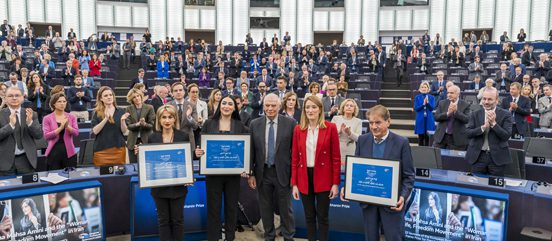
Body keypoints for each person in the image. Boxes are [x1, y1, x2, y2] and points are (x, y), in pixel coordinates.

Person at [338, 105, 414, 241]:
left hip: (392, 203)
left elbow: (409, 176)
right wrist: (348, 186)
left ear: (388, 122)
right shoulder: (362, 140)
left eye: (378, 122)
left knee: (394, 237)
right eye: (371, 123)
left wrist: (403, 197)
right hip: (368, 203)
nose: (373, 126)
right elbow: (358, 171)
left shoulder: (401, 142)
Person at [134, 104, 203, 241]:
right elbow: (150, 163)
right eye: (164, 117)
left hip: (178, 187)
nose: (167, 120)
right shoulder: (153, 138)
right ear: (159, 120)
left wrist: (190, 174)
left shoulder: (183, 136)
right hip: (159, 188)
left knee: (178, 220)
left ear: (174, 119)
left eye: (170, 117)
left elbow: (186, 160)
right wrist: (140, 153)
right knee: (163, 221)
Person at [199, 95, 249, 241]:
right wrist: (198, 152)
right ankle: (213, 238)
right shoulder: (209, 123)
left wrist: (246, 166)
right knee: (213, 209)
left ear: (235, 108)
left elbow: (246, 150)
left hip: (233, 175)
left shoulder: (241, 127)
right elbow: (201, 146)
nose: (226, 106)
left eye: (230, 104)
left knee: (231, 208)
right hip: (213, 174)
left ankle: (229, 237)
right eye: (224, 103)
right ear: (219, 105)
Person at [291, 95, 341, 241]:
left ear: (320, 109)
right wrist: (294, 183)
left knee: (323, 216)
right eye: (307, 107)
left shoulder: (330, 127)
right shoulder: (298, 129)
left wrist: (335, 183)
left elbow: (336, 158)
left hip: (324, 177)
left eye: (314, 107)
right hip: (304, 176)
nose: (310, 110)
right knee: (309, 216)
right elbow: (295, 158)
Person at [248, 94, 296, 241]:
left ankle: (288, 237)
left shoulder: (291, 123)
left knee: (286, 209)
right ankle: (269, 236)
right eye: (267, 105)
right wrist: (251, 173)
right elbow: (251, 151)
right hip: (262, 172)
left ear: (279, 106)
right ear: (263, 106)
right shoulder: (254, 124)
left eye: (273, 105)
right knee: (265, 208)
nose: (270, 108)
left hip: (283, 172)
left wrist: (294, 175)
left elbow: (294, 152)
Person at [465, 87, 512, 176]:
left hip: (497, 157)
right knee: (476, 184)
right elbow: (468, 133)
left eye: (490, 99)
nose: (486, 102)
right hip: (478, 156)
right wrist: (483, 127)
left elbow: (506, 136)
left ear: (497, 100)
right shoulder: (475, 113)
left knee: (495, 188)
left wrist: (494, 124)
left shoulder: (506, 114)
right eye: (484, 99)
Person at [0, 87, 42, 176]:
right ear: (5, 98)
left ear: (23, 98)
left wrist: (30, 123)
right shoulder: (0, 114)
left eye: (17, 95)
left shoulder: (31, 114)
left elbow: (38, 135)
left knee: (29, 189)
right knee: (8, 189)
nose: (14, 98)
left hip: (26, 160)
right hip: (4, 161)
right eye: (10, 96)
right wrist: (10, 126)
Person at [91, 86, 129, 166]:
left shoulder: (121, 110)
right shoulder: (97, 112)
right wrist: (105, 119)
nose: (109, 97)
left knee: (118, 175)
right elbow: (95, 131)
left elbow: (125, 132)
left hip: (118, 149)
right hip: (101, 150)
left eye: (110, 95)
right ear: (101, 98)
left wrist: (122, 121)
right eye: (106, 95)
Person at [42, 93, 78, 170]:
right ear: (54, 104)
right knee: (54, 177)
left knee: (71, 177)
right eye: (59, 101)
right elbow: (46, 136)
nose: (62, 104)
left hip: (69, 152)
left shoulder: (72, 117)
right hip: (53, 152)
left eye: (64, 101)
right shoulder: (47, 118)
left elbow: (76, 133)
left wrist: (67, 127)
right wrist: (60, 128)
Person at [433, 85, 470, 150]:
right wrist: (447, 114)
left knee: (453, 159)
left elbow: (467, 119)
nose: (449, 95)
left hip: (457, 139)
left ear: (458, 94)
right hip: (441, 137)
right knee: (436, 158)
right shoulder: (442, 103)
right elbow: (436, 117)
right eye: (448, 93)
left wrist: (456, 112)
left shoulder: (465, 105)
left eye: (451, 93)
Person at [125, 89, 155, 163]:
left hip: (146, 139)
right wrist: (138, 124)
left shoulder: (149, 107)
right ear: (131, 99)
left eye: (138, 96)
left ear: (141, 96)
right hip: (132, 141)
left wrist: (144, 124)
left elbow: (152, 125)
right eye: (134, 97)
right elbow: (129, 126)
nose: (137, 98)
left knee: (148, 163)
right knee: (133, 164)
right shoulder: (128, 109)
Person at [331, 99, 362, 166]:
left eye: (351, 106)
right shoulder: (335, 118)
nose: (349, 107)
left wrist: (349, 133)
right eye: (347, 105)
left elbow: (358, 138)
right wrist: (339, 131)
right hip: (337, 148)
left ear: (354, 109)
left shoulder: (358, 121)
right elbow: (330, 135)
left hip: (350, 149)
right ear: (343, 108)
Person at [168, 82, 198, 148]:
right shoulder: (167, 106)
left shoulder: (192, 106)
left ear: (184, 92)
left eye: (180, 90)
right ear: (172, 93)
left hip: (188, 140)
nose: (178, 92)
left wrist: (189, 117)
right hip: (172, 140)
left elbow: (195, 126)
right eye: (175, 91)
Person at [414, 82, 436, 146]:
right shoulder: (417, 97)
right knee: (420, 137)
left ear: (428, 88)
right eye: (422, 87)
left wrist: (427, 103)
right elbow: (416, 108)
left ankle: (427, 152)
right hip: (420, 119)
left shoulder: (432, 97)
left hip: (429, 119)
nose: (424, 88)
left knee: (428, 137)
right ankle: (420, 152)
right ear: (420, 89)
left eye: (425, 87)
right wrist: (423, 104)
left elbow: (432, 108)